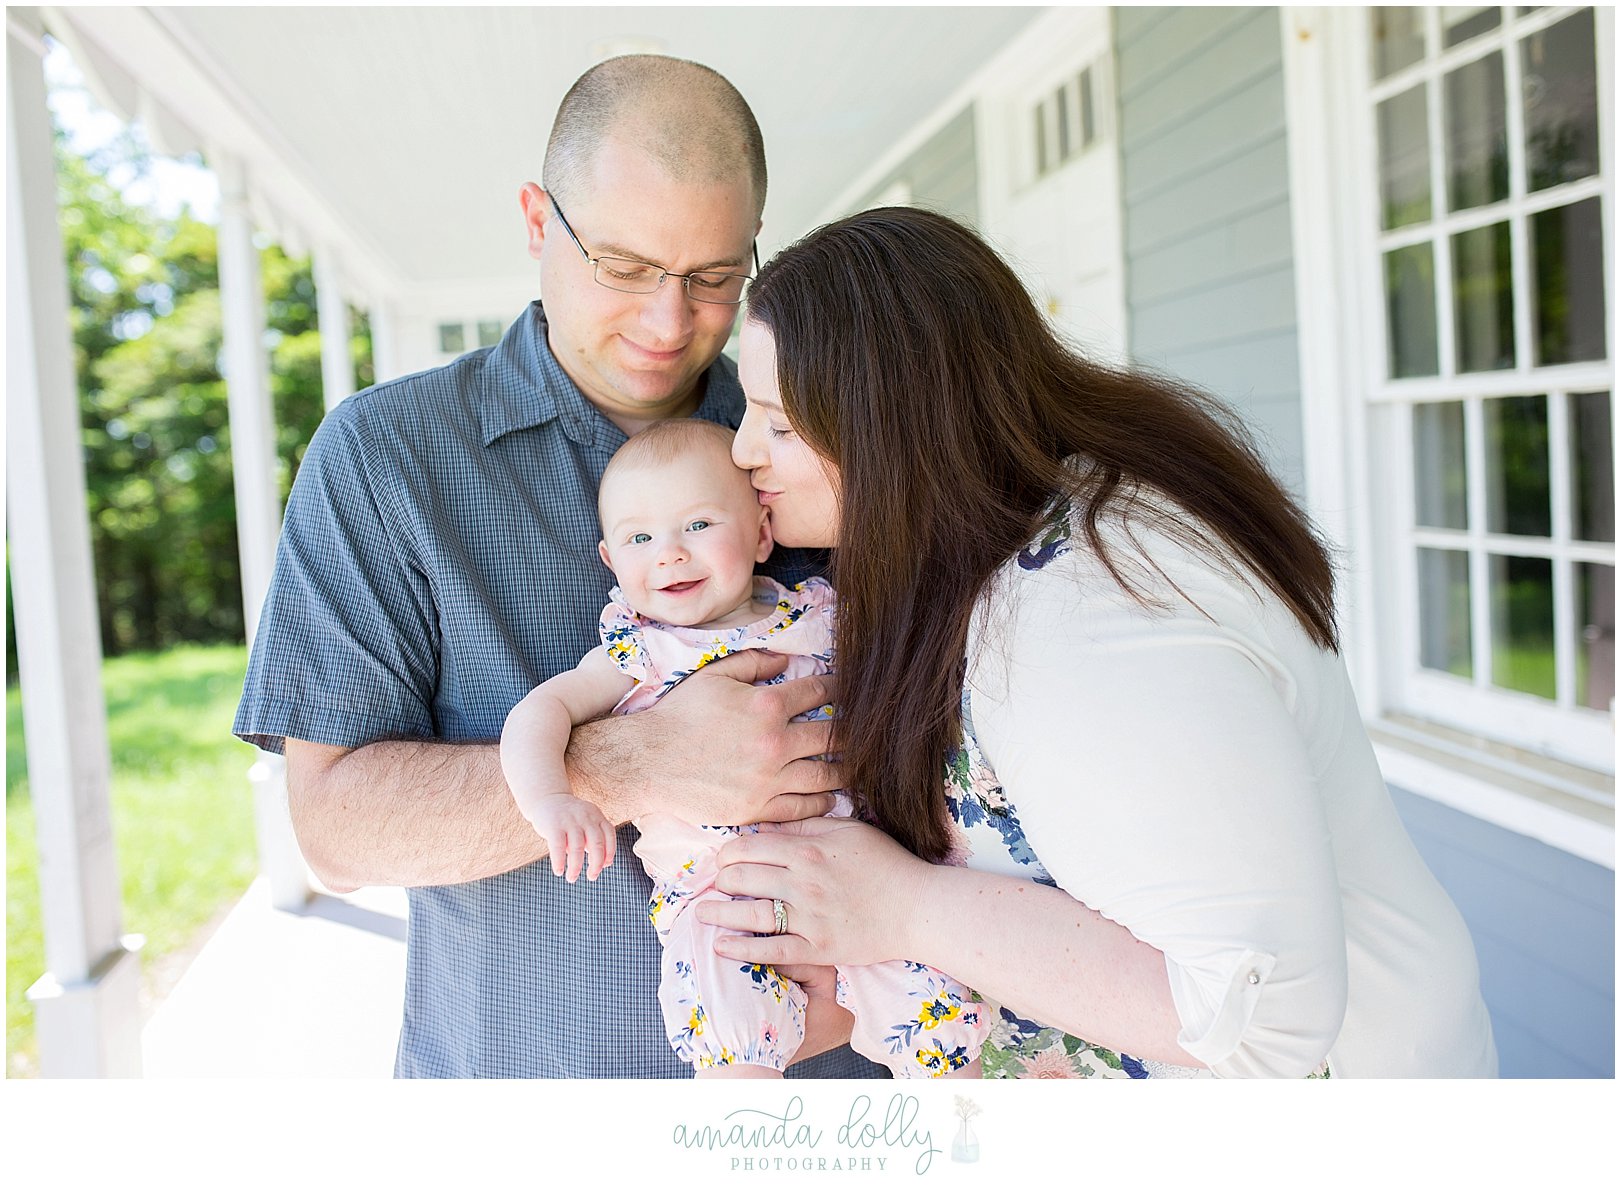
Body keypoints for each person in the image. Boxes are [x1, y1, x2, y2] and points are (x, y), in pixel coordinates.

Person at [698, 206, 1499, 1078]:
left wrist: (900, 906)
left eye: (778, 422)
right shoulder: (1009, 538)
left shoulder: (1083, 607)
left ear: (895, 424)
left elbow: (1263, 1017)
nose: (742, 450)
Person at [232, 55, 884, 1079]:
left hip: (833, 1101)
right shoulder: (386, 454)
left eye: (714, 278)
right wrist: (632, 760)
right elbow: (334, 832)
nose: (670, 325)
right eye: (624, 267)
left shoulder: (819, 433)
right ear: (539, 221)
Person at [500, 418, 988, 1079]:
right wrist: (549, 798)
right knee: (724, 1001)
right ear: (611, 561)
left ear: (761, 532)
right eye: (640, 537)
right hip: (720, 890)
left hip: (859, 870)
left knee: (930, 1009)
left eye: (697, 525)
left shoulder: (821, 614)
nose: (668, 553)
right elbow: (540, 711)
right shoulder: (640, 649)